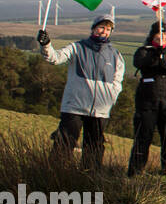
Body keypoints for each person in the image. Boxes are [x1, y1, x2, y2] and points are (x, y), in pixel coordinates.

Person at [38, 14, 124, 170]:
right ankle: (54, 175)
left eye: (108, 29)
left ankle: (89, 179)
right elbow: (55, 58)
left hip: (100, 110)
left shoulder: (116, 55)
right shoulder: (77, 47)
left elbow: (118, 81)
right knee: (64, 143)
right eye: (101, 27)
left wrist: (111, 98)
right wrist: (46, 45)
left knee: (95, 147)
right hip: (74, 107)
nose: (104, 31)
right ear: (93, 28)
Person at [128, 20, 166, 175]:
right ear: (152, 36)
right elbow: (139, 62)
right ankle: (136, 170)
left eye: (165, 34)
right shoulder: (144, 50)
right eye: (159, 34)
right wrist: (156, 55)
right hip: (147, 101)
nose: (163, 37)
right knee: (143, 135)